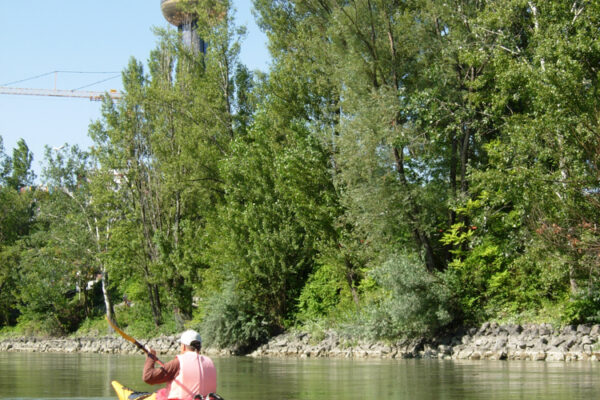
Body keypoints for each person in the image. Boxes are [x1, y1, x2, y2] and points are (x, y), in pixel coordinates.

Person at [143, 330, 217, 400]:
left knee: (161, 393)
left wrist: (151, 357)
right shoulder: (209, 362)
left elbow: (148, 377)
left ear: (183, 346)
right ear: (199, 347)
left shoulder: (178, 363)